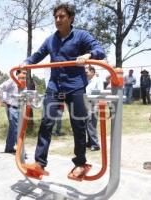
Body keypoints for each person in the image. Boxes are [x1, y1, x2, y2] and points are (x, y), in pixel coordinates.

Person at [21, 3, 105, 179]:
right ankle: (39, 163)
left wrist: (89, 55)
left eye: (62, 16)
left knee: (79, 125)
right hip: (55, 87)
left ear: (71, 18)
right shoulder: (51, 40)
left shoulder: (81, 36)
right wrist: (26, 62)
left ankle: (80, 163)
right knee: (46, 122)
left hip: (75, 86)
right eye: (56, 17)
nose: (58, 20)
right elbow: (37, 55)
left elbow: (100, 51)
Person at [0, 70, 26, 154]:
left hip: (19, 108)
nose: (24, 75)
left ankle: (9, 148)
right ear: (17, 73)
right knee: (17, 128)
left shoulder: (24, 82)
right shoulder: (12, 80)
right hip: (12, 107)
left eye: (25, 73)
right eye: (23, 73)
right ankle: (21, 150)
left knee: (12, 128)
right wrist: (4, 100)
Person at [85, 65, 103, 151]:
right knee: (87, 123)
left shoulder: (97, 80)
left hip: (93, 103)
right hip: (86, 103)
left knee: (91, 124)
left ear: (92, 72)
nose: (85, 74)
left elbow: (100, 92)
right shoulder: (87, 80)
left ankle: (95, 145)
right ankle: (89, 142)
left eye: (87, 72)